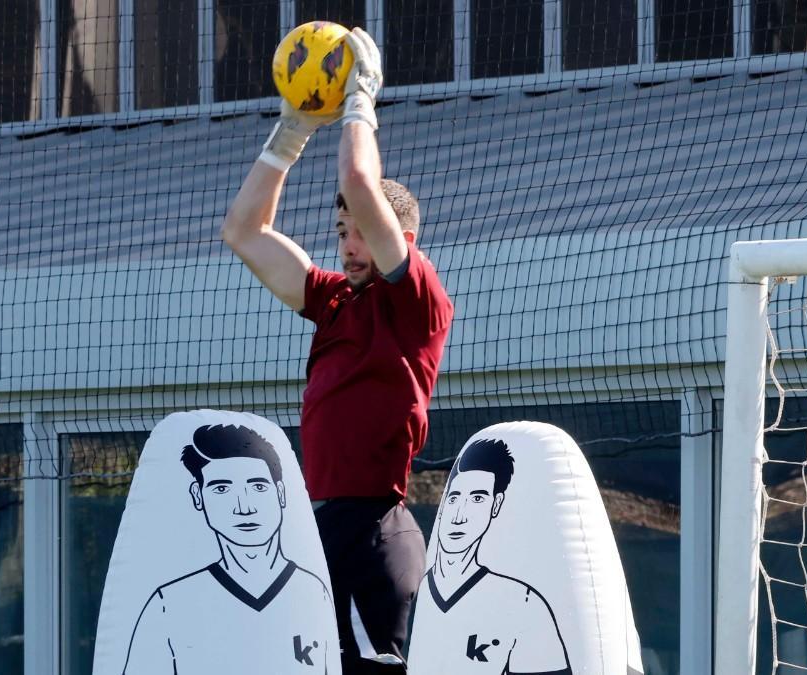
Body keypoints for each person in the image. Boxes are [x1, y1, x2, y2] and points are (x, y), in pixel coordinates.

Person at [221, 28, 453, 674]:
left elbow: (357, 173)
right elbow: (243, 231)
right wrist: (291, 130)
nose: (349, 247)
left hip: (378, 538)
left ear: (397, 235)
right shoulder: (331, 301)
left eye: (361, 231)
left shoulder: (416, 302)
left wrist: (360, 98)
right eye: (341, 231)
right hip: (319, 537)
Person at [122, 424, 334, 674]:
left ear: (280, 493)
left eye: (258, 486)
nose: (244, 507)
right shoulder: (168, 605)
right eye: (222, 488)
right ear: (198, 496)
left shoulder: (315, 594)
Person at [407, 438, 571, 675]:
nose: (459, 515)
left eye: (477, 498)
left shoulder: (524, 604)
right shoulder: (408, 591)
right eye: (454, 498)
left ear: (496, 505)